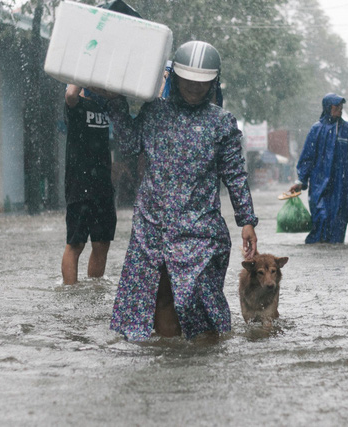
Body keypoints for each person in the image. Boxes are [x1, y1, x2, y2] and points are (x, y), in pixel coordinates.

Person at [100, 40, 258, 341]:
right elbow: (131, 145)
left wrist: (246, 221)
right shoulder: (155, 112)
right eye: (188, 81)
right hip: (153, 225)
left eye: (203, 83)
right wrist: (115, 102)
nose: (195, 89)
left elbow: (235, 175)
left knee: (197, 298)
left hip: (200, 228)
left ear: (213, 82)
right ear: (174, 76)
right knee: (159, 295)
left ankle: (202, 357)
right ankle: (169, 360)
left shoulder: (221, 123)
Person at [288, 93, 348, 244]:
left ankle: (333, 254)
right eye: (336, 107)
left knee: (338, 220)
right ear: (328, 107)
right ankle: (318, 253)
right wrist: (301, 180)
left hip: (342, 185)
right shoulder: (316, 129)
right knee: (320, 217)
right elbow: (307, 157)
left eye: (341, 107)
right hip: (319, 184)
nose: (340, 110)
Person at [61, 84, 116, 285]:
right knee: (76, 243)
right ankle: (69, 295)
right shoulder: (75, 105)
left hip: (103, 185)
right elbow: (70, 94)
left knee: (102, 244)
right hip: (79, 184)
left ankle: (94, 292)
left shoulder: (105, 104)